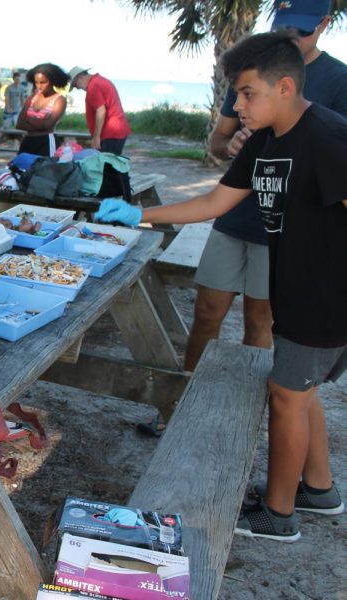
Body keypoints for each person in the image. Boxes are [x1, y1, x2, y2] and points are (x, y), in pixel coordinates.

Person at [94, 31, 347, 542]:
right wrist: (138, 215)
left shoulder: (327, 137)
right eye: (236, 94)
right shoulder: (267, 140)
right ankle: (318, 490)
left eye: (247, 93)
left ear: (284, 86)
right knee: (300, 389)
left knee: (286, 396)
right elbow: (213, 204)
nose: (237, 105)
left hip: (326, 296)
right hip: (295, 291)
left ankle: (277, 516)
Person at [138, 0, 347, 438]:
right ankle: (180, 401)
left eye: (301, 29)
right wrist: (138, 214)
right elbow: (217, 162)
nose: (292, 34)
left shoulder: (335, 92)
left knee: (267, 337)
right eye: (284, 26)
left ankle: (248, 422)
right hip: (239, 220)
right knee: (208, 312)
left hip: (298, 248)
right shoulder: (252, 73)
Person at [68, 66, 131, 155]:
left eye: (75, 85)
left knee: (107, 165)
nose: (77, 88)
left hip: (110, 133)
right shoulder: (99, 80)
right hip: (116, 130)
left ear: (80, 78)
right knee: (113, 163)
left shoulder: (93, 86)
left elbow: (101, 110)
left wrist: (96, 137)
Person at [15, 63, 69, 157]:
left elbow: (47, 125)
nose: (39, 86)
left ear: (52, 81)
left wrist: (28, 119)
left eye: (43, 82)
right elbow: (19, 124)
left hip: (46, 142)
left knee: (45, 169)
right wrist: (40, 122)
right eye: (36, 82)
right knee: (20, 169)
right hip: (27, 140)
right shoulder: (32, 97)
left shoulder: (59, 100)